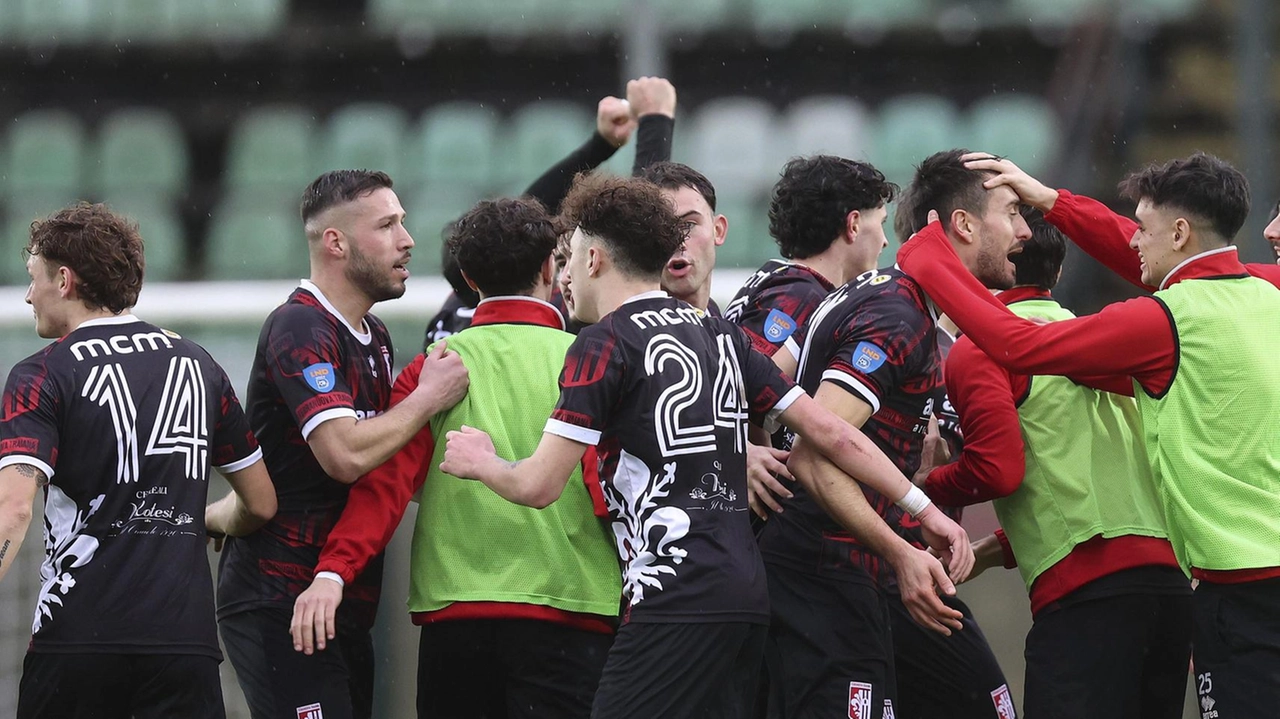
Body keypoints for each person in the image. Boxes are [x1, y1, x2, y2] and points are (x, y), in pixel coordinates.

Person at [440, 173, 973, 719]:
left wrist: (482, 461)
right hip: (746, 597)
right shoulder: (718, 331)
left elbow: (538, 485)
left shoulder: (603, 344)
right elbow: (833, 433)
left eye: (572, 255)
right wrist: (923, 510)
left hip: (673, 599)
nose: (566, 276)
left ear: (595, 258)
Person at [897, 151, 1280, 719]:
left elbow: (1016, 361)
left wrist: (926, 259)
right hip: (1180, 589)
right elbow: (1199, 264)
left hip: (1226, 592)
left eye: (1143, 231)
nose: (1132, 243)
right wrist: (1056, 202)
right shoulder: (1266, 298)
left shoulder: (1157, 323)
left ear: (1177, 232)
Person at [290, 197, 621, 718]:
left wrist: (333, 571)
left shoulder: (433, 370)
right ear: (549, 269)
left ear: (466, 276)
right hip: (571, 612)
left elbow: (384, 488)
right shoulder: (594, 362)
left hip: (457, 620)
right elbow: (611, 492)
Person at [762, 150, 1019, 719]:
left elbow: (764, 382)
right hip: (824, 568)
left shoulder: (893, 302)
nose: (1023, 230)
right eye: (1012, 212)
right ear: (964, 224)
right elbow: (815, 454)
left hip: (862, 568)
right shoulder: (894, 312)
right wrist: (905, 543)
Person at [0, 202, 276, 719]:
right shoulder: (200, 364)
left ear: (64, 280)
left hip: (80, 641)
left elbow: (13, 510)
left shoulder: (41, 374)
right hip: (182, 647)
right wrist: (207, 517)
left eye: (34, 278)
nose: (28, 295)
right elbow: (260, 503)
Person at [216, 170, 470, 719]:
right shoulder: (300, 326)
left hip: (340, 597)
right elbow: (346, 455)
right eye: (387, 224)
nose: (408, 239)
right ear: (337, 242)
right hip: (281, 596)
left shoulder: (374, 336)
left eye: (403, 221)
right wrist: (426, 399)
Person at [920, 211, 1191, 718]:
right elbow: (1096, 477)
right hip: (1169, 591)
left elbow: (998, 469)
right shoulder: (1106, 337)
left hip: (1087, 597)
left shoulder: (980, 348)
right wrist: (995, 548)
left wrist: (923, 483)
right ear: (1058, 273)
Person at [426, 76, 678, 341]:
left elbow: (518, 223)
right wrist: (655, 121)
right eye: (559, 262)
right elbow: (639, 227)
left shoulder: (445, 328)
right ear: (547, 270)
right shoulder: (564, 341)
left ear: (467, 279)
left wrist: (600, 145)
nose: (566, 277)